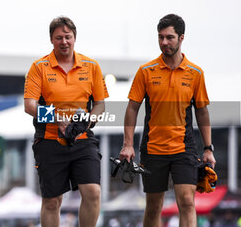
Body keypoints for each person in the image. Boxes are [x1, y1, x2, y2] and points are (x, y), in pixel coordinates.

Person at [119, 14, 216, 227]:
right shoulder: (145, 71)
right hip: (153, 149)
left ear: (181, 38)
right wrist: (127, 145)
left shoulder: (195, 73)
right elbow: (132, 107)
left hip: (184, 148)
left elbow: (202, 112)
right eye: (160, 37)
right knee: (154, 205)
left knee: (187, 202)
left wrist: (208, 148)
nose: (164, 42)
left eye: (169, 37)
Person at [24, 16, 109, 227]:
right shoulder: (39, 67)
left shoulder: (92, 66)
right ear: (51, 40)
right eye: (59, 38)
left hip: (82, 139)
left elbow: (100, 105)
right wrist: (57, 119)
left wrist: (89, 119)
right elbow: (29, 106)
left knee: (93, 192)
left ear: (75, 38)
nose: (64, 42)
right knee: (52, 201)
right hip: (49, 139)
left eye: (68, 37)